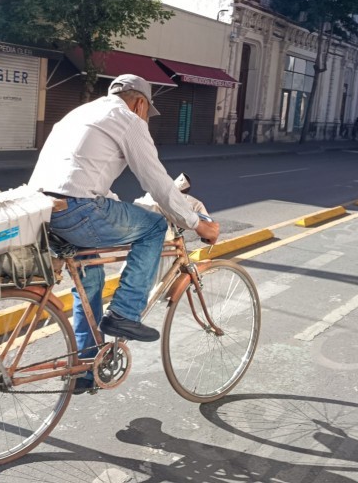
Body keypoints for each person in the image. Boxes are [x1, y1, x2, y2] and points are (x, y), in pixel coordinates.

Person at [28, 74, 220, 393]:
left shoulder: (78, 114)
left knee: (89, 280)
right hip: (79, 209)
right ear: (139, 102)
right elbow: (157, 182)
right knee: (155, 226)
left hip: (45, 210)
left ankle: (86, 368)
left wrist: (117, 205)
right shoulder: (127, 119)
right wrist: (196, 223)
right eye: (146, 111)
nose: (145, 118)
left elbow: (84, 175)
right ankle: (124, 313)